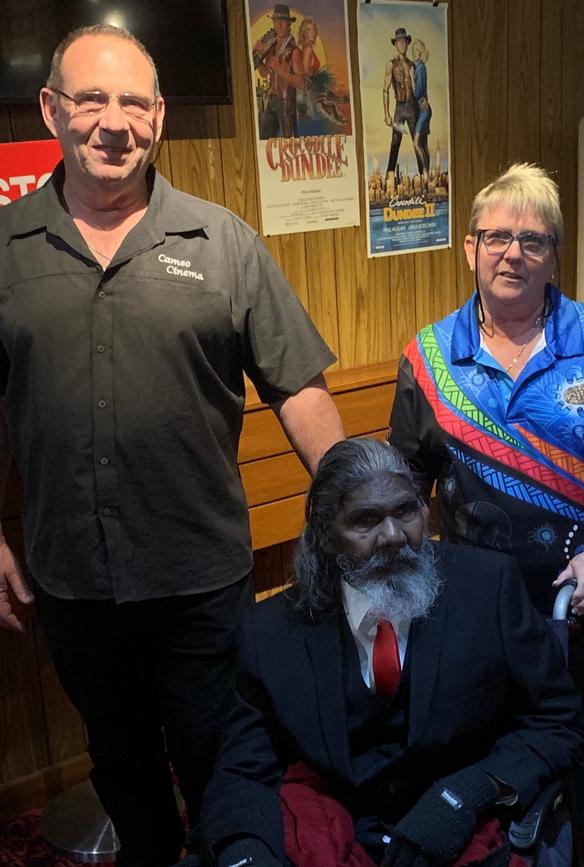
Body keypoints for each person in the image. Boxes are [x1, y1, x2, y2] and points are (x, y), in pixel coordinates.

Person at [0, 23, 344, 867]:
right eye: (90, 99)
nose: (112, 122)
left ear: (159, 116)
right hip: (74, 584)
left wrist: (356, 512)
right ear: (53, 110)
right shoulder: (3, 252)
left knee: (221, 761)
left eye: (132, 102)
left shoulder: (222, 241)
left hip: (201, 581)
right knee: (120, 765)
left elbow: (298, 385)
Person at [388, 163, 584, 867]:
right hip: (483, 618)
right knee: (498, 768)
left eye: (532, 240)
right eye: (497, 236)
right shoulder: (431, 357)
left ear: (554, 254)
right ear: (469, 247)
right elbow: (407, 491)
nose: (513, 253)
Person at [199, 438, 584, 867]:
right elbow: (243, 768)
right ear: (325, 535)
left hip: (459, 828)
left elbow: (556, 720)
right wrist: (245, 854)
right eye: (365, 520)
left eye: (405, 511)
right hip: (333, 829)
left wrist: (469, 792)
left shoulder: (487, 588)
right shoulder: (270, 631)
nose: (393, 536)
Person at [254, 4, 305, 139]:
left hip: (286, 102)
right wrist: (257, 56)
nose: (279, 25)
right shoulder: (270, 46)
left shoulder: (294, 51)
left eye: (282, 21)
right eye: (276, 21)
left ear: (289, 24)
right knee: (264, 139)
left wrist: (281, 71)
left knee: (289, 142)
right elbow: (265, 73)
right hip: (272, 100)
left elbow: (302, 83)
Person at [383, 28, 420, 178]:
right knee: (395, 142)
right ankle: (389, 177)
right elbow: (385, 89)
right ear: (396, 44)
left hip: (412, 107)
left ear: (407, 43)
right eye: (399, 41)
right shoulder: (390, 64)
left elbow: (419, 90)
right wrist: (386, 114)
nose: (402, 44)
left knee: (418, 142)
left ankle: (424, 175)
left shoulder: (413, 65)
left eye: (404, 41)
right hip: (399, 107)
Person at [410, 39, 431, 179]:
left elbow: (418, 93)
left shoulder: (420, 68)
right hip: (423, 109)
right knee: (423, 143)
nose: (415, 53)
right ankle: (427, 173)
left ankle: (425, 173)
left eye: (418, 50)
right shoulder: (418, 66)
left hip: (423, 111)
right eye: (414, 50)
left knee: (416, 143)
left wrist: (412, 78)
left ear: (422, 52)